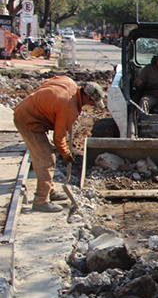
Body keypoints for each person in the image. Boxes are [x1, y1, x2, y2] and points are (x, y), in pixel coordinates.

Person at [13, 76, 105, 213]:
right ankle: (41, 201)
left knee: (45, 157)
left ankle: (50, 190)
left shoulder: (68, 82)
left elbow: (46, 83)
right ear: (86, 97)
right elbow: (59, 137)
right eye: (92, 103)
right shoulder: (69, 108)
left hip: (27, 108)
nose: (91, 106)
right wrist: (66, 154)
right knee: (46, 160)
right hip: (28, 121)